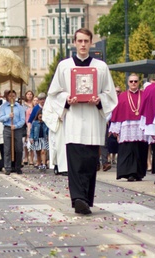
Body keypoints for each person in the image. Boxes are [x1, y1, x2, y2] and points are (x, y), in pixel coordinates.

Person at [46, 28, 118, 215]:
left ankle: (85, 199)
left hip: (93, 121)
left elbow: (110, 94)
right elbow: (54, 93)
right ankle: (78, 199)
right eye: (80, 41)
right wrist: (67, 99)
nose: (83, 45)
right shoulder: (64, 66)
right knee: (75, 163)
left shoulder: (101, 67)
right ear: (75, 43)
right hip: (74, 121)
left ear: (91, 42)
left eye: (86, 41)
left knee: (89, 162)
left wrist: (99, 99)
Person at [108, 74, 148, 182]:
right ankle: (129, 173)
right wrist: (116, 129)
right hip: (126, 127)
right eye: (131, 81)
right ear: (128, 83)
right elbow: (117, 112)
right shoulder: (122, 96)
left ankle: (139, 173)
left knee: (140, 150)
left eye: (135, 81)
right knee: (128, 150)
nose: (133, 83)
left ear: (138, 82)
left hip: (140, 126)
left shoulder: (144, 95)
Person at [0, 89, 25, 175]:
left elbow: (22, 120)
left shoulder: (19, 107)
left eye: (13, 96)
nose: (12, 98)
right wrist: (8, 116)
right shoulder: (3, 107)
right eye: (10, 96)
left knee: (19, 149)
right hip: (7, 128)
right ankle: (7, 167)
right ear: (7, 97)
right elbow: (1, 118)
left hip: (17, 129)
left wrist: (16, 126)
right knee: (7, 149)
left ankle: (18, 167)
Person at [22, 90, 35, 166]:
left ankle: (31, 158)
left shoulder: (34, 104)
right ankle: (26, 157)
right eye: (28, 94)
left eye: (31, 94)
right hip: (25, 124)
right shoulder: (23, 105)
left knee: (32, 141)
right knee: (25, 141)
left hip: (33, 123)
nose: (29, 95)